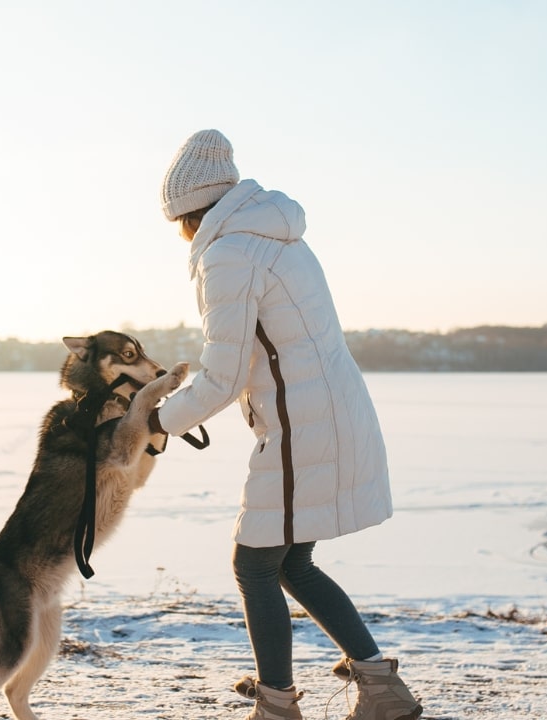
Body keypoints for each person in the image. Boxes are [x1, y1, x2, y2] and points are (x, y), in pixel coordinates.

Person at [148, 129, 423, 720]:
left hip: (304, 428)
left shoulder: (228, 254)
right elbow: (258, 355)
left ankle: (277, 707)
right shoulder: (279, 237)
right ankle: (382, 691)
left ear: (188, 213)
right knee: (291, 563)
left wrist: (154, 421)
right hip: (325, 415)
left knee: (253, 564)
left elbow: (222, 375)